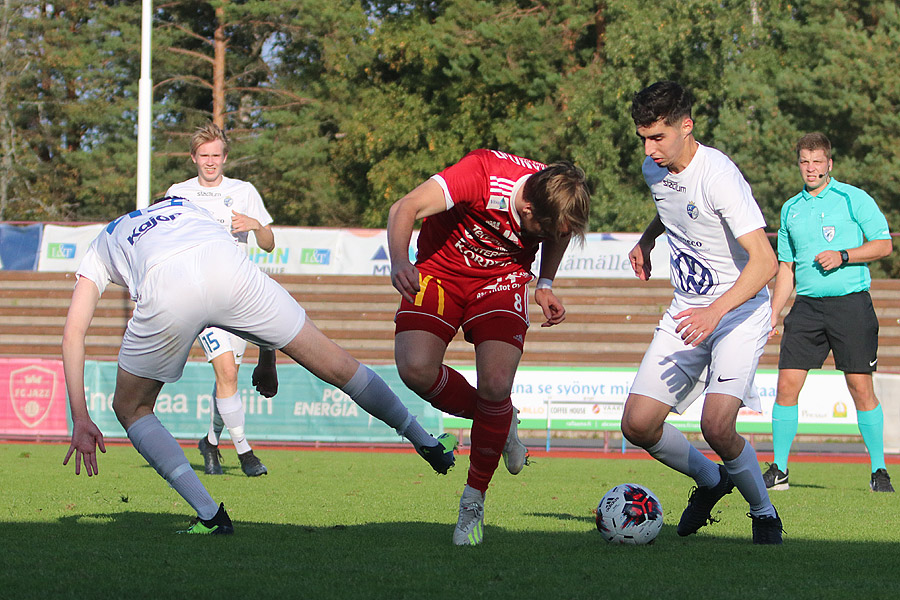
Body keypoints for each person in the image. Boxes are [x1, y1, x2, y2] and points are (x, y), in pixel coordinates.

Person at [62, 198, 457, 534]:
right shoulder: (185, 206)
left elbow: (74, 332)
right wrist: (268, 358)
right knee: (337, 363)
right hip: (228, 268)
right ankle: (425, 440)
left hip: (166, 283)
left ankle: (210, 515)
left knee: (131, 408)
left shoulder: (102, 242)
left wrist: (81, 417)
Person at [388, 149, 591, 545]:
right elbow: (405, 206)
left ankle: (472, 502)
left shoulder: (557, 196)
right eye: (541, 232)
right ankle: (502, 420)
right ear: (527, 207)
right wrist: (399, 260)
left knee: (496, 384)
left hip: (501, 281)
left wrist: (545, 283)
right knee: (415, 368)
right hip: (440, 272)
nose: (547, 238)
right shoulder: (481, 174)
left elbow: (561, 231)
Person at [621, 81, 783, 544]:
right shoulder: (657, 169)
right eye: (643, 138)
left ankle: (764, 511)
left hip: (737, 312)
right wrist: (648, 239)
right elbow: (673, 208)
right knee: (637, 423)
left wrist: (715, 312)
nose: (649, 150)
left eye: (658, 138)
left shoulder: (720, 176)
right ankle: (711, 481)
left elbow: (765, 263)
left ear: (686, 127)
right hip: (687, 311)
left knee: (716, 424)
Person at [764, 132, 894, 493]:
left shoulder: (853, 199)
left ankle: (879, 471)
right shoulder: (790, 208)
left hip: (850, 305)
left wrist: (845, 255)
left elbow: (884, 245)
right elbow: (786, 267)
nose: (811, 168)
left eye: (817, 161)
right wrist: (774, 312)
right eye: (805, 161)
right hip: (806, 309)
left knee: (859, 387)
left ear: (829, 164)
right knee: (787, 385)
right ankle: (780, 469)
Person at [166, 123, 275, 477]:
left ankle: (210, 441)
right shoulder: (178, 193)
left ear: (225, 157)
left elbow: (270, 243)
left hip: (237, 293)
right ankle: (245, 453)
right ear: (193, 158)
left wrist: (255, 224)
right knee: (226, 371)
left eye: (216, 155)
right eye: (204, 156)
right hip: (201, 296)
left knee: (228, 380)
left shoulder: (243, 191)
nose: (210, 162)